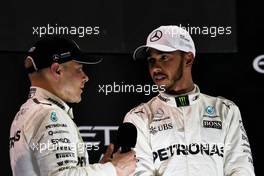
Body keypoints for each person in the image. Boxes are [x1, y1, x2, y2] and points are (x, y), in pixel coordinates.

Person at [123, 25, 255, 175]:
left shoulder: (225, 110)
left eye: (164, 57)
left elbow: (241, 169)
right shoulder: (139, 117)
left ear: (188, 59)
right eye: (151, 60)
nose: (155, 68)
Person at [9, 36, 136, 176]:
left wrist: (102, 168)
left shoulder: (27, 112)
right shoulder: (50, 115)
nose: (86, 77)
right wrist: (115, 169)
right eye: (79, 69)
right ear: (57, 70)